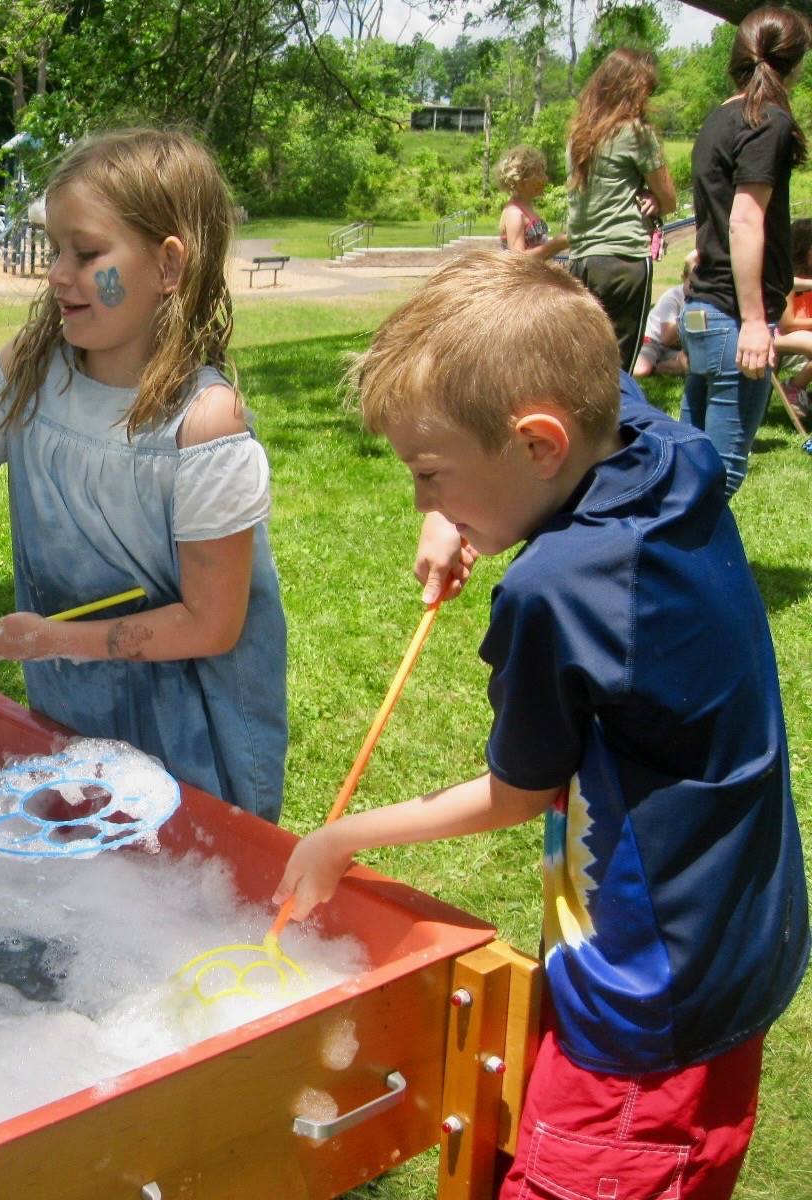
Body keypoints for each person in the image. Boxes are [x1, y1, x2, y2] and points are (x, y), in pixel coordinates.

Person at [274, 251, 807, 1200]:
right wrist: (455, 510)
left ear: (538, 445)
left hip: (643, 1009)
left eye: (430, 475)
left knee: (588, 1174)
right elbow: (589, 379)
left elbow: (519, 792)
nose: (422, 503)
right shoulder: (666, 452)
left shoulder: (556, 590)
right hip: (739, 936)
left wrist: (343, 837)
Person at [0, 128, 287, 820]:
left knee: (180, 894)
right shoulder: (26, 374)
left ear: (168, 265)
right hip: (71, 715)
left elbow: (212, 625)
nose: (58, 273)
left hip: (193, 736)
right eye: (55, 248)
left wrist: (56, 641)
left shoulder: (205, 424)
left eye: (87, 253)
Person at [683, 6, 809, 495]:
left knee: (691, 467)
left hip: (703, 311)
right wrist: (756, 321)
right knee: (719, 474)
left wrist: (702, 255)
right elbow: (744, 218)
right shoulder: (768, 121)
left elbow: (715, 210)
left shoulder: (719, 118)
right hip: (732, 318)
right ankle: (673, 568)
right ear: (795, 64)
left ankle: (662, 565)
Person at [565, 48, 677, 371]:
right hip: (624, 258)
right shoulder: (635, 133)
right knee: (618, 370)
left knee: (584, 364)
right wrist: (652, 196)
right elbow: (669, 198)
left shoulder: (578, 136)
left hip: (583, 259)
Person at [631, 248, 697, 378]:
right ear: (683, 278)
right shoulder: (673, 297)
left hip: (677, 348)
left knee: (694, 364)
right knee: (641, 370)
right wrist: (692, 312)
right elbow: (667, 338)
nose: (697, 287)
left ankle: (664, 365)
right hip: (653, 342)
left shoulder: (703, 299)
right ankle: (657, 365)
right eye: (693, 282)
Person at [495, 145, 569, 258]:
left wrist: (559, 242)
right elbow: (518, 260)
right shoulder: (514, 213)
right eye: (540, 174)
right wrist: (554, 245)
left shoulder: (527, 209)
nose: (546, 179)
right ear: (521, 181)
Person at [771, 217, 812, 419]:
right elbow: (787, 324)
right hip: (778, 333)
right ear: (804, 248)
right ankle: (794, 388)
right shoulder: (789, 277)